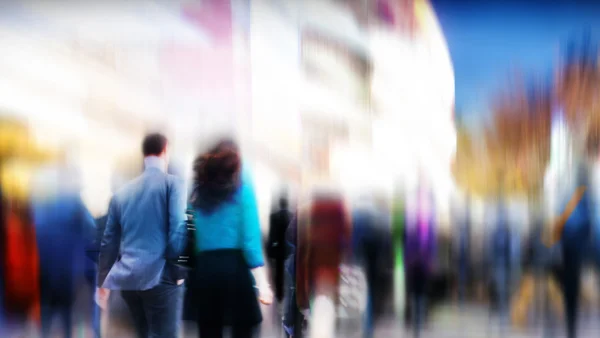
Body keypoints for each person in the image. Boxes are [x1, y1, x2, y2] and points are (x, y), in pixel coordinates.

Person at [97, 133, 188, 338]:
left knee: (143, 333)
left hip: (130, 280)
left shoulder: (123, 193)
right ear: (165, 150)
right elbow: (177, 229)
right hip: (161, 277)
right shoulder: (174, 185)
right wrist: (178, 271)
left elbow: (110, 240)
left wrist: (103, 281)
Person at [188, 138, 273, 338]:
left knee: (208, 331)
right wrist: (262, 284)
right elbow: (250, 237)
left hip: (204, 270)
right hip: (235, 269)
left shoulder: (199, 187)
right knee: (243, 329)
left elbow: (190, 230)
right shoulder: (243, 184)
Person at [31, 162, 96, 338]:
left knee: (46, 312)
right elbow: (91, 230)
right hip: (67, 269)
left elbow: (34, 229)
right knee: (67, 316)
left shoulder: (43, 201)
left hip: (44, 265)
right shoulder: (75, 202)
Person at [404, 186, 436, 338]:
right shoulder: (425, 221)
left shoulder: (414, 221)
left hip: (416, 262)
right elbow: (430, 243)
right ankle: (418, 324)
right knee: (419, 293)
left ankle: (418, 325)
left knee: (417, 293)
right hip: (420, 262)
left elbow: (409, 242)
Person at [267, 191, 293, 303]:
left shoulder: (274, 216)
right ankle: (287, 293)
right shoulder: (291, 216)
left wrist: (270, 249)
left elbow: (272, 235)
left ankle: (279, 295)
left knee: (278, 272)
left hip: (278, 250)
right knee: (288, 272)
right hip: (288, 249)